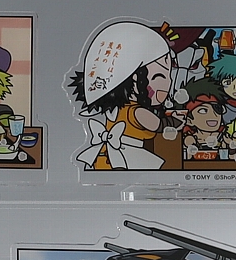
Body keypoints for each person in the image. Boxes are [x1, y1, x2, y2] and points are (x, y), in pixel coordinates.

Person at [70, 21, 174, 170]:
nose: (169, 83)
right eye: (160, 76)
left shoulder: (116, 109)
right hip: (127, 159)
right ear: (135, 77)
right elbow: (158, 125)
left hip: (104, 158)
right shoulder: (137, 111)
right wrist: (175, 121)